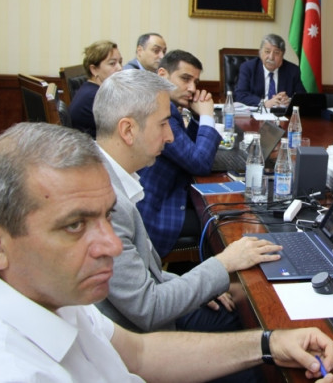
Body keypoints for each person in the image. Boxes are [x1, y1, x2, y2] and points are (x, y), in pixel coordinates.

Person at [0, 122, 333, 382]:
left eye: (108, 215)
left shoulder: (34, 285)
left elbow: (138, 354)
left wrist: (271, 343)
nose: (110, 245)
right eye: (74, 225)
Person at [93, 70, 283, 337]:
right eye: (163, 124)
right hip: (146, 338)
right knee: (254, 322)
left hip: (153, 309)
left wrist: (201, 283)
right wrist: (223, 263)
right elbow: (149, 309)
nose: (170, 137)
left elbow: (147, 277)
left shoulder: (105, 174)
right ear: (128, 130)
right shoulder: (103, 204)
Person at [137, 50, 221, 258]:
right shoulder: (157, 111)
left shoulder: (164, 105)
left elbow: (187, 148)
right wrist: (207, 116)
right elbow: (199, 163)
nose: (192, 88)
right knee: (219, 222)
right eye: (185, 79)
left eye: (195, 81)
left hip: (164, 196)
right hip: (157, 214)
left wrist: (196, 117)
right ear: (162, 75)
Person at [69, 39, 123, 138]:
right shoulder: (94, 96)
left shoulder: (92, 90)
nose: (120, 68)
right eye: (112, 63)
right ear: (94, 69)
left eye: (120, 62)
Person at [235, 33, 307, 108]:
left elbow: (302, 98)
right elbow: (240, 95)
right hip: (257, 113)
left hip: (281, 114)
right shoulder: (248, 68)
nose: (271, 57)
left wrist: (289, 101)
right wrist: (264, 103)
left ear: (282, 55)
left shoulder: (292, 70)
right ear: (260, 53)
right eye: (267, 51)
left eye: (276, 53)